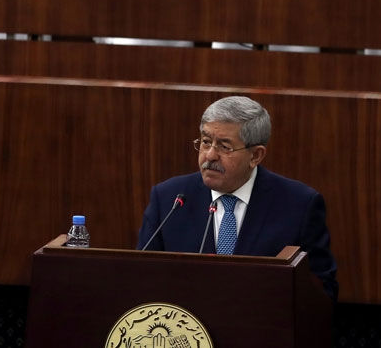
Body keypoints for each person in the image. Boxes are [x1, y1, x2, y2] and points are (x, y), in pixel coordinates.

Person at [137, 96, 338, 300]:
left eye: (225, 146)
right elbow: (140, 278)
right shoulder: (169, 199)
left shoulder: (299, 205)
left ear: (255, 155)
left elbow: (323, 293)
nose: (210, 155)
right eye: (206, 142)